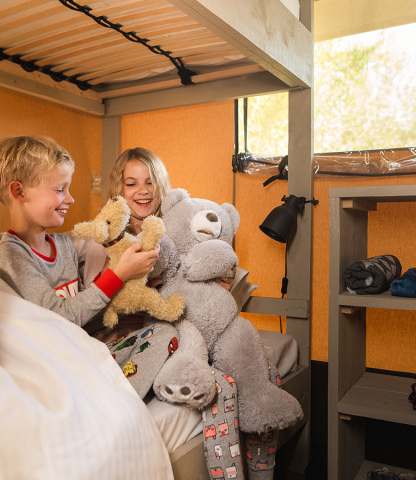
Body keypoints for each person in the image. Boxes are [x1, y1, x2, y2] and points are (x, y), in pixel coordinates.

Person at [90, 147, 279, 480]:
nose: (142, 191)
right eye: (131, 183)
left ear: (162, 187)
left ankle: (262, 471)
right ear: (118, 189)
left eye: (150, 182)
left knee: (263, 369)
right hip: (144, 339)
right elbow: (103, 303)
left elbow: (208, 277)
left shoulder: (176, 226)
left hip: (190, 328)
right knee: (222, 386)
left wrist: (217, 281)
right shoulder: (109, 238)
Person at [0, 135, 178, 400]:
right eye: (60, 190)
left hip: (85, 348)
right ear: (19, 192)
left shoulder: (64, 246)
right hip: (55, 363)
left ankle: (119, 400)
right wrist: (118, 275)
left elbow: (85, 317)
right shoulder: (10, 254)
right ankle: (117, 405)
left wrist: (129, 290)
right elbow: (57, 319)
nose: (71, 199)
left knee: (165, 333)